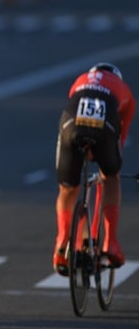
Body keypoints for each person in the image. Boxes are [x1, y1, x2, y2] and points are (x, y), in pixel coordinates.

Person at [53, 62, 135, 276]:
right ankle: (110, 242)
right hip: (106, 122)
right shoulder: (124, 92)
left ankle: (62, 241)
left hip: (71, 121)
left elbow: (79, 109)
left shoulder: (80, 80)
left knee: (67, 188)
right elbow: (121, 139)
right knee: (110, 178)